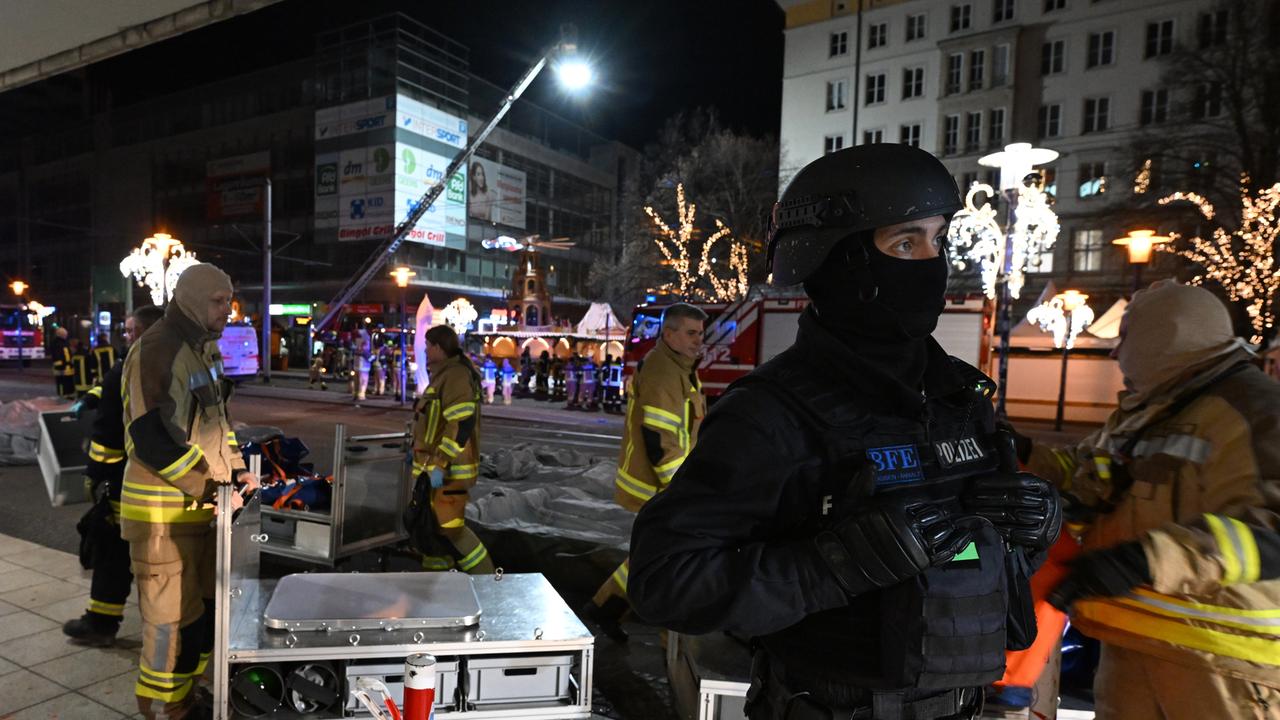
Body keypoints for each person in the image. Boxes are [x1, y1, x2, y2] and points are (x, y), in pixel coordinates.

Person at [626, 145, 1059, 720]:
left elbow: (967, 569)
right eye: (905, 243)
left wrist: (1027, 536)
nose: (933, 263)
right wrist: (829, 567)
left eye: (939, 240)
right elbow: (664, 583)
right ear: (841, 260)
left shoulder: (960, 399)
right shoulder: (772, 413)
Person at [1013, 281, 1280, 719]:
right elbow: (1089, 471)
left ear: (1166, 336)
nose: (1116, 353)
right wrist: (1022, 451)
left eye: (1126, 337)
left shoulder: (1260, 411)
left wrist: (1146, 561)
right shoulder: (1157, 407)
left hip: (1226, 664)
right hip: (1134, 638)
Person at [120, 263, 257, 720]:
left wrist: (238, 472)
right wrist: (214, 487)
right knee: (169, 625)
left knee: (198, 618)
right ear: (192, 299)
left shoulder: (204, 350)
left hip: (198, 511)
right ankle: (163, 708)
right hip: (162, 518)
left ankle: (185, 698)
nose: (227, 310)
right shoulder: (159, 348)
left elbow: (218, 425)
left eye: (229, 301)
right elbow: (152, 440)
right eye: (218, 301)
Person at [583, 302, 709, 642]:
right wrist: (679, 488)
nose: (699, 340)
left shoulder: (679, 368)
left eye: (700, 333)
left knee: (655, 554)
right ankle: (672, 639)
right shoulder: (664, 372)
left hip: (666, 482)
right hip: (660, 484)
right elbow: (658, 437)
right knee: (675, 556)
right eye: (691, 333)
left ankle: (605, 607)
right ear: (668, 334)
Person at [63, 305, 165, 647]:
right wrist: (91, 398)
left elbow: (111, 435)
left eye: (130, 330)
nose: (125, 335)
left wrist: (98, 477)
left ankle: (101, 624)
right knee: (127, 553)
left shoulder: (136, 367)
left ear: (145, 332)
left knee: (111, 550)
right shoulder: (153, 364)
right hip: (141, 480)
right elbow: (111, 388)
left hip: (121, 480)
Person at [407, 325, 494, 574]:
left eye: (428, 345)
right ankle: (436, 585)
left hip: (448, 473)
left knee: (452, 531)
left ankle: (488, 580)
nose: (425, 350)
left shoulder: (455, 376)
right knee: (433, 531)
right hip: (437, 471)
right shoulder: (446, 374)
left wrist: (440, 463)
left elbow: (460, 423)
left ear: (438, 347)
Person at [51, 326, 74, 399]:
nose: (66, 336)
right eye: (65, 334)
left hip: (66, 367)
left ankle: (67, 395)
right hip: (62, 368)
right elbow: (58, 357)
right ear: (61, 335)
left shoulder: (63, 343)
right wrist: (64, 364)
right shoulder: (57, 344)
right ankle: (62, 396)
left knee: (67, 382)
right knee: (61, 382)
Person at [350, 330, 371, 402]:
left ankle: (355, 394)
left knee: (356, 381)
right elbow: (366, 352)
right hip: (364, 366)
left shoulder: (356, 342)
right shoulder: (366, 342)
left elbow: (354, 350)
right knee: (363, 381)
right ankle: (361, 395)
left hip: (356, 365)